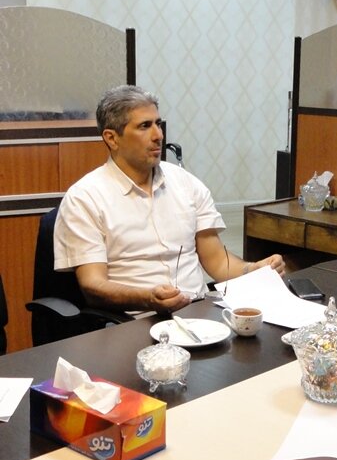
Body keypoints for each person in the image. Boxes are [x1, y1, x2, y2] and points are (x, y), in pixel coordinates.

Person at [54, 85, 284, 314]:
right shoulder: (85, 197)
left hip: (198, 313)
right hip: (134, 319)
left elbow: (218, 262)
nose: (158, 135)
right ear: (112, 138)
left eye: (158, 124)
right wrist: (148, 299)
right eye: (145, 126)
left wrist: (254, 269)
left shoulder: (187, 184)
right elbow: (93, 285)